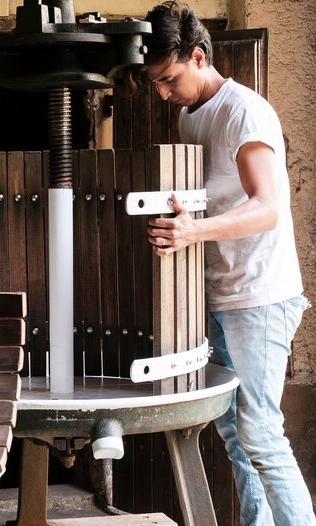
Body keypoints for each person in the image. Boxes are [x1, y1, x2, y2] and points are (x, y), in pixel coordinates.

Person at [141, 2, 315, 525]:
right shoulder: (190, 115)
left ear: (199, 56)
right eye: (156, 83)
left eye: (169, 79)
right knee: (237, 438)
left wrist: (192, 230)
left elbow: (268, 208)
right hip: (219, 296)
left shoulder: (245, 111)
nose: (163, 93)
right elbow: (211, 199)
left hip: (259, 298)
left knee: (261, 433)